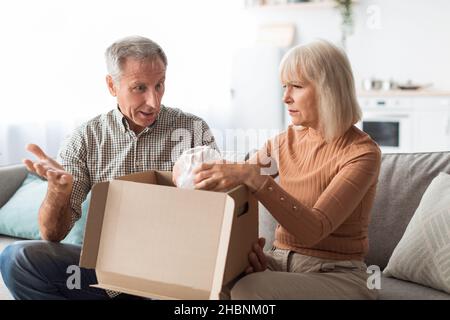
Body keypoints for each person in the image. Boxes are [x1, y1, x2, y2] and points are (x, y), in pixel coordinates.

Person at [0, 35, 217, 300]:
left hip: (173, 271)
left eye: (159, 85)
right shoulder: (84, 140)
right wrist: (58, 191)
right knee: (17, 258)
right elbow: (52, 234)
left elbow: (220, 214)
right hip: (106, 274)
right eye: (139, 88)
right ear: (112, 85)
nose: (154, 101)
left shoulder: (193, 131)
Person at [191, 40, 381, 299]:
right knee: (211, 282)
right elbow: (237, 185)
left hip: (338, 275)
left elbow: (313, 230)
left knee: (248, 290)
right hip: (280, 262)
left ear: (329, 91)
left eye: (297, 86)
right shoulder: (282, 143)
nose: (285, 97)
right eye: (284, 86)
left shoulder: (362, 154)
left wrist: (255, 178)